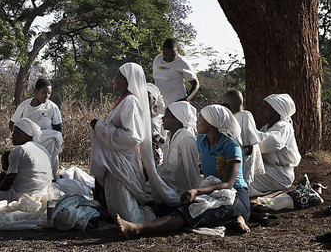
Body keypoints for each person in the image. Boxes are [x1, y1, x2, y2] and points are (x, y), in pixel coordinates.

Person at [116, 104, 250, 239]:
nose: (196, 122)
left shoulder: (231, 146)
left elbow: (228, 184)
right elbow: (178, 143)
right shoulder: (202, 141)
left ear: (210, 124)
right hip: (213, 193)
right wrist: (160, 140)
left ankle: (137, 229)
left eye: (200, 120)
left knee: (192, 211)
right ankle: (232, 220)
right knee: (177, 208)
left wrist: (197, 191)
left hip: (236, 195)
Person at [90, 63, 179, 223]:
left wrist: (101, 126)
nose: (114, 79)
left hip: (122, 163)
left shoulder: (131, 102)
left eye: (117, 75)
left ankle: (152, 216)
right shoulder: (124, 101)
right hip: (117, 163)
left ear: (126, 79)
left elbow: (133, 136)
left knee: (127, 216)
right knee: (117, 210)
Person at [249, 93, 301, 196]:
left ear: (277, 110)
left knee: (242, 177)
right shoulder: (266, 128)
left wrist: (248, 141)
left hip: (280, 174)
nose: (261, 108)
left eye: (266, 106)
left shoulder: (284, 126)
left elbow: (270, 142)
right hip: (270, 169)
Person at [9, 79, 63, 178]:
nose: (46, 96)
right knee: (31, 171)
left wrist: (56, 139)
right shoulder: (25, 106)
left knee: (49, 171)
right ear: (36, 91)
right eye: (44, 93)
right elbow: (12, 123)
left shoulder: (52, 107)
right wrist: (19, 136)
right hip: (29, 145)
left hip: (48, 146)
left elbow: (58, 129)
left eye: (49, 93)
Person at [157, 101, 201, 194]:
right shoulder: (169, 137)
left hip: (180, 193)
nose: (162, 119)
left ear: (177, 119)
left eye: (167, 116)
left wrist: (194, 195)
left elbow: (191, 172)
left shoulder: (186, 139)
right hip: (168, 190)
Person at [224, 90, 265, 185]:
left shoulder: (244, 115)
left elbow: (250, 143)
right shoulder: (232, 117)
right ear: (244, 102)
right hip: (238, 156)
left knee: (241, 181)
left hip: (243, 156)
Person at [152, 38, 199, 105]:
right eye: (165, 54)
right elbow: (155, 79)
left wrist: (186, 100)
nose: (168, 57)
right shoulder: (157, 59)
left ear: (177, 50)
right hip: (159, 103)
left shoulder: (182, 63)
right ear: (162, 51)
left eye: (172, 54)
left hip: (176, 105)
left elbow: (195, 84)